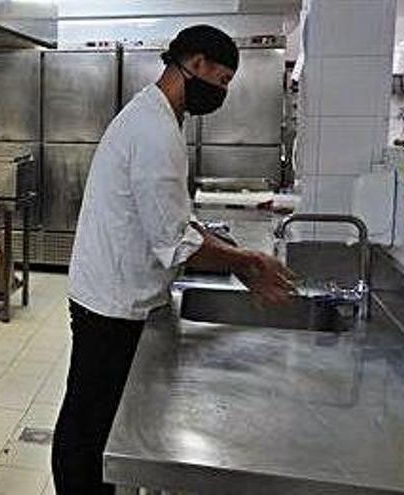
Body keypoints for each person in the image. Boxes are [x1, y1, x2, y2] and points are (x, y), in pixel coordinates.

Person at [52, 25, 295, 495]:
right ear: (196, 63)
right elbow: (174, 242)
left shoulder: (155, 116)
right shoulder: (154, 129)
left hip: (112, 292)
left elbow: (174, 221)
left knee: (92, 416)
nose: (221, 92)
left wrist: (226, 250)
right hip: (113, 304)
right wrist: (246, 261)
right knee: (88, 424)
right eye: (222, 80)